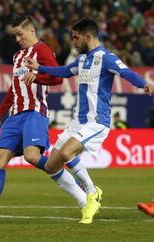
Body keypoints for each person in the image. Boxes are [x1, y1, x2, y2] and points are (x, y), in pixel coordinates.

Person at [0, 15, 97, 223]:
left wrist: (37, 76)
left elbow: (57, 77)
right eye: (15, 36)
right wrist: (0, 111)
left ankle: (81, 193)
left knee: (31, 156)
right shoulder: (17, 57)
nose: (18, 39)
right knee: (0, 158)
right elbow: (14, 87)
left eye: (20, 34)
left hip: (35, 111)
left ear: (31, 31)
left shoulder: (43, 50)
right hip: (14, 115)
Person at [27, 17, 154, 223]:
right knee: (51, 166)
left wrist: (143, 84)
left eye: (76, 38)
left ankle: (92, 193)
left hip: (97, 122)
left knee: (67, 152)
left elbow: (126, 72)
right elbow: (64, 72)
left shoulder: (107, 58)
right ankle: (89, 194)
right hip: (77, 122)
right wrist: (39, 67)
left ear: (88, 37)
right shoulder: (82, 60)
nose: (73, 42)